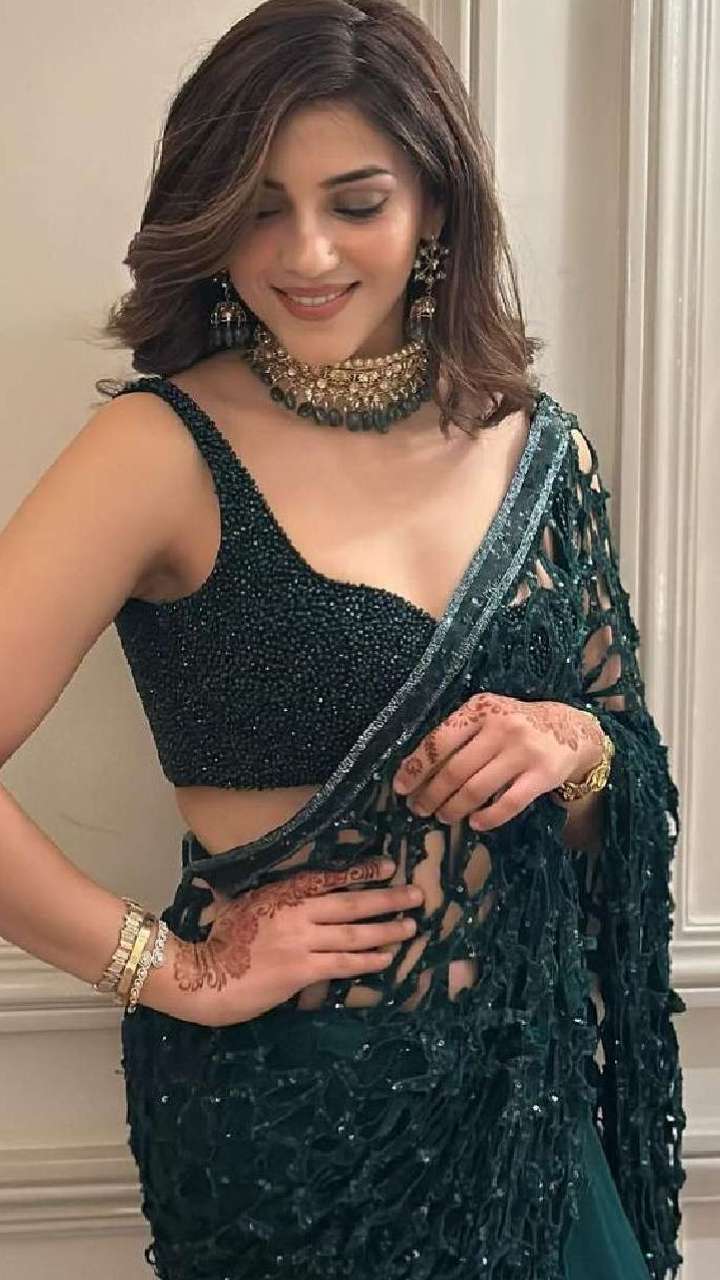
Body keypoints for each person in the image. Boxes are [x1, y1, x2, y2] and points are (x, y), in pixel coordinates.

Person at [0, 1, 686, 1277]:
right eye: (261, 207)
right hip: (291, 1124)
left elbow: (613, 789)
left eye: (355, 202)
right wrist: (172, 969)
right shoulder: (156, 451)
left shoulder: (543, 453)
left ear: (435, 207)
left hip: (531, 1110)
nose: (305, 251)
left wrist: (572, 745)